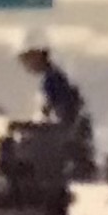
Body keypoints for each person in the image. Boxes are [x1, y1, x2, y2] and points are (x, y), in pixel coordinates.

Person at [15, 27, 94, 177]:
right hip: (68, 137)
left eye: (27, 60)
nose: (26, 65)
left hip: (64, 140)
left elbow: (59, 115)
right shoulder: (53, 78)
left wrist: (36, 126)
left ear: (37, 57)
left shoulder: (53, 81)